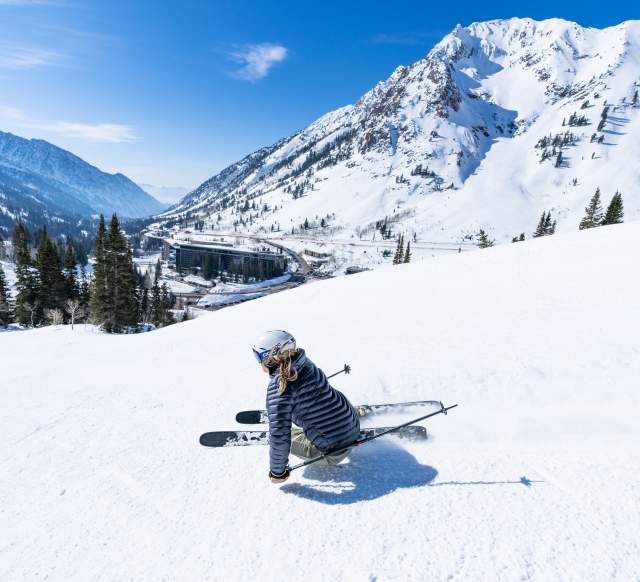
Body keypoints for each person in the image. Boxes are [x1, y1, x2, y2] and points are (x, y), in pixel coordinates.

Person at [252, 330, 361, 484]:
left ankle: (286, 417)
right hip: (354, 428)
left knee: (279, 435)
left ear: (271, 356)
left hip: (332, 452)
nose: (258, 362)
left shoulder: (279, 387)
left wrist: (277, 473)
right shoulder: (306, 363)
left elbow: (279, 436)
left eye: (258, 356)